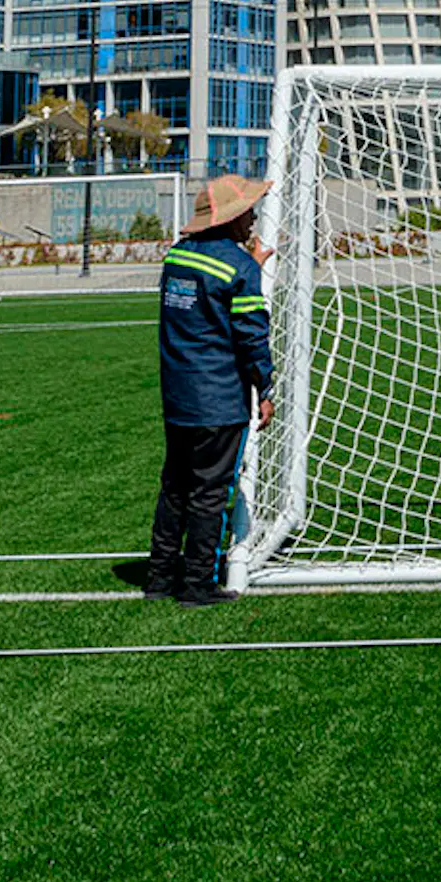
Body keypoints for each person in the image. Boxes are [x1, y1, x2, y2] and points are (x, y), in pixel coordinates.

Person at [139, 174, 275, 605]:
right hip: (218, 398)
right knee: (210, 491)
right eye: (247, 211)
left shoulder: (177, 258)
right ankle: (197, 583)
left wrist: (249, 263)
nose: (252, 217)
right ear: (232, 219)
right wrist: (266, 388)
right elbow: (251, 334)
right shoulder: (237, 267)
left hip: (178, 393)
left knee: (175, 486)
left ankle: (160, 578)